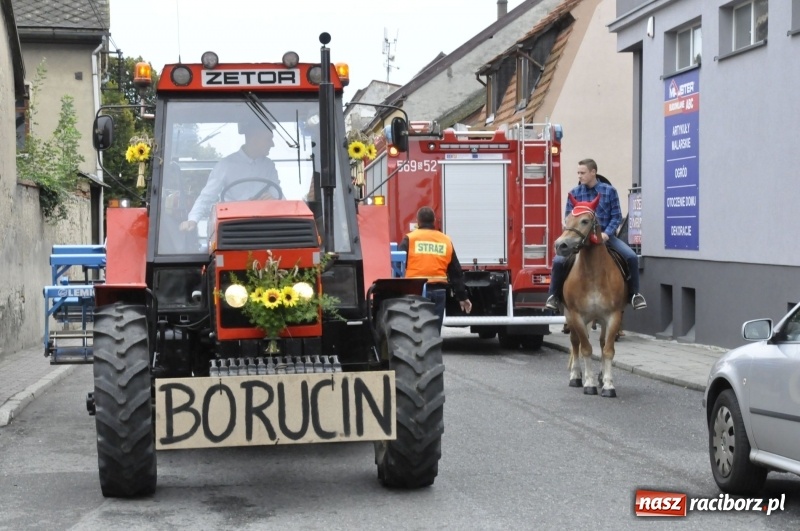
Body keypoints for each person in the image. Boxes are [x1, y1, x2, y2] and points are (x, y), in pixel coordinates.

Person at [546, 158, 647, 311]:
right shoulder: (574, 193)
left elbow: (616, 216)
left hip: (606, 237)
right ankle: (554, 296)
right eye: (578, 173)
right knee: (559, 261)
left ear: (593, 172)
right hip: (580, 239)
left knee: (632, 257)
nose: (579, 176)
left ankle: (634, 295)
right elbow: (568, 217)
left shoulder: (609, 191)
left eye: (583, 173)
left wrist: (607, 234)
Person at [180, 121, 282, 232]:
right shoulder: (225, 165)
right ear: (254, 139)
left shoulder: (269, 166)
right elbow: (207, 197)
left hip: (262, 225)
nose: (272, 144)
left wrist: (274, 200)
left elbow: (278, 195)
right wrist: (192, 220)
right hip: (231, 227)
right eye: (268, 139)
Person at [399, 207, 473, 332]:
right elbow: (455, 271)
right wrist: (462, 297)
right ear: (434, 221)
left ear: (418, 222)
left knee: (415, 331)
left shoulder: (410, 239)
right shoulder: (445, 240)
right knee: (434, 332)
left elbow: (399, 265)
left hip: (415, 290)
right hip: (439, 291)